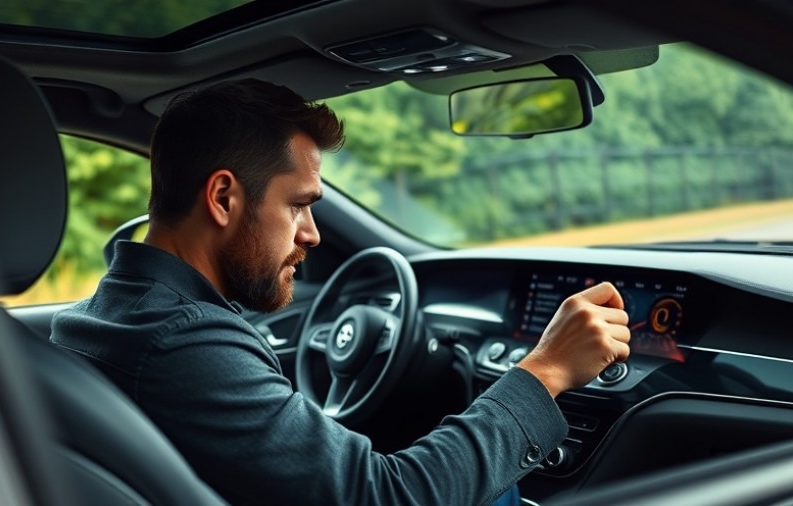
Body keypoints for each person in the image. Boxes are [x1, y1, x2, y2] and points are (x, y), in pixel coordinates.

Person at [50, 78, 631, 506]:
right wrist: (545, 371)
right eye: (299, 204)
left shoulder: (102, 316)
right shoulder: (183, 343)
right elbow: (387, 499)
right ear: (224, 198)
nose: (313, 234)